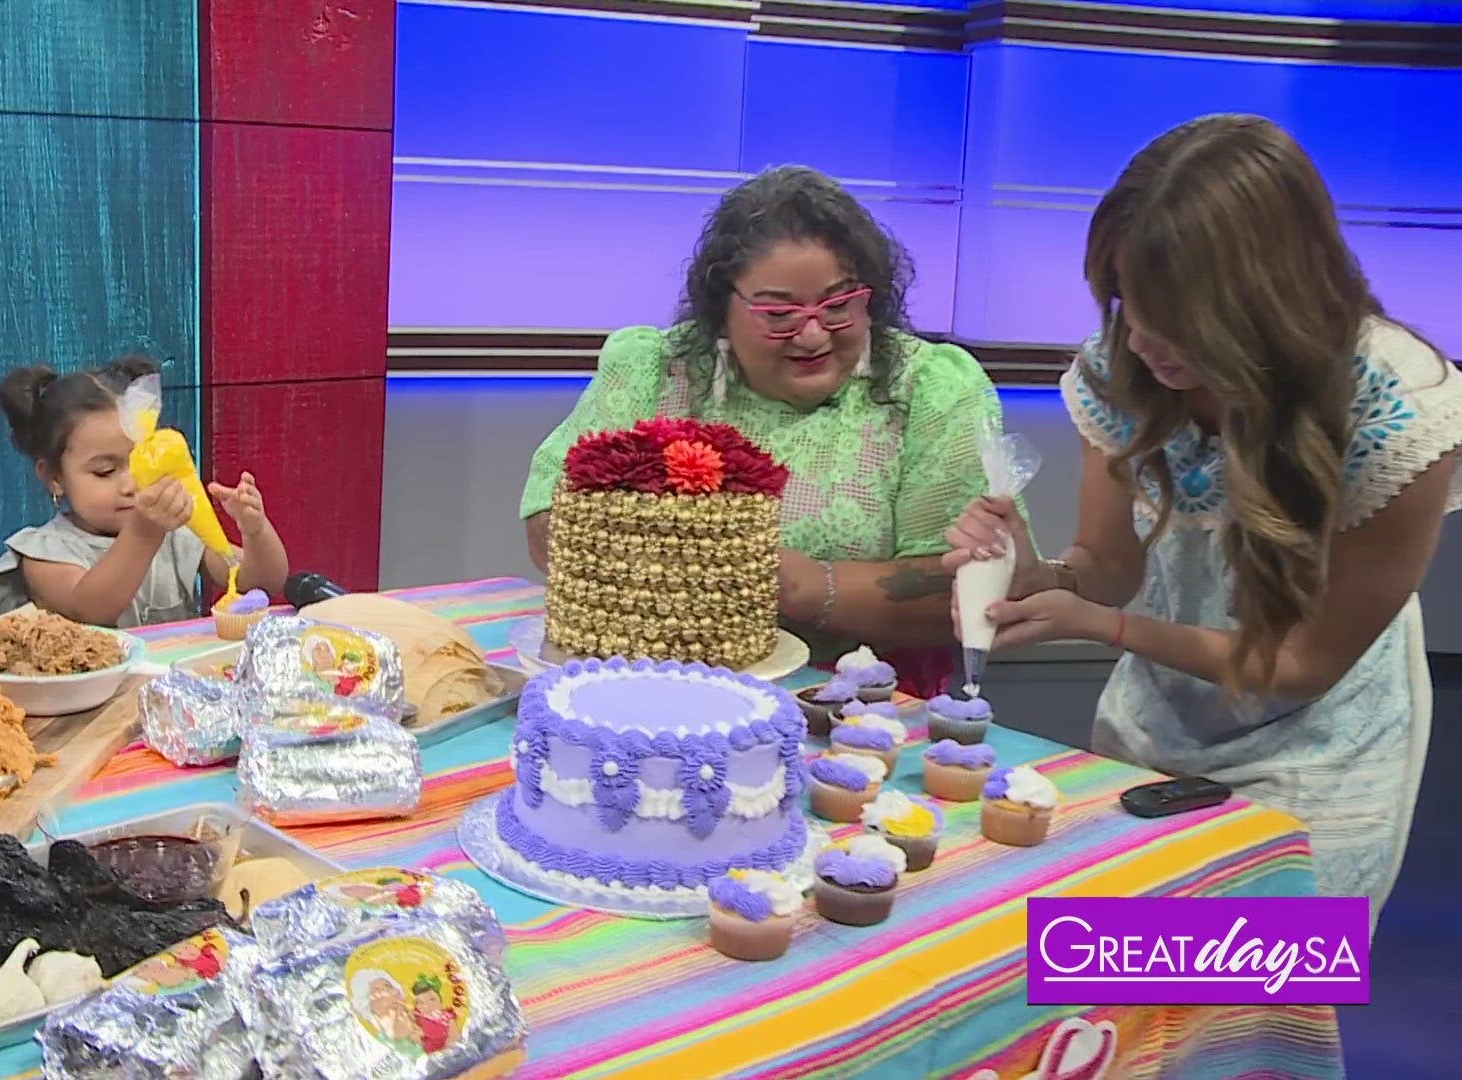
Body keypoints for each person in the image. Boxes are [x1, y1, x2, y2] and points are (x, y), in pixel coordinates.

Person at [943, 115, 1460, 925]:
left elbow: (1299, 666)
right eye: (1124, 303)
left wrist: (1106, 629)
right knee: (1107, 977)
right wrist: (1038, 577)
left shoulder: (1403, 413)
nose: (1144, 342)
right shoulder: (1122, 367)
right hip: (1159, 728)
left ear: (1271, 300)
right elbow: (1108, 568)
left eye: (1178, 320)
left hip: (1327, 754)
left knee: (1253, 990)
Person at [520, 166, 1012, 692]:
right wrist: (664, 565)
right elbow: (550, 514)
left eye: (840, 305)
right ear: (720, 307)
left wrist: (784, 581)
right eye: (780, 314)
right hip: (649, 680)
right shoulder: (657, 368)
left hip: (858, 703)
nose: (814, 334)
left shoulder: (932, 390)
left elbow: (965, 586)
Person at [0, 357, 289, 626]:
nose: (131, 485)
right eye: (105, 471)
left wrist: (256, 531)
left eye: (143, 464)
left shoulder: (176, 534)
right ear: (53, 477)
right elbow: (91, 610)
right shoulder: (43, 553)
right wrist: (144, 533)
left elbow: (262, 581)